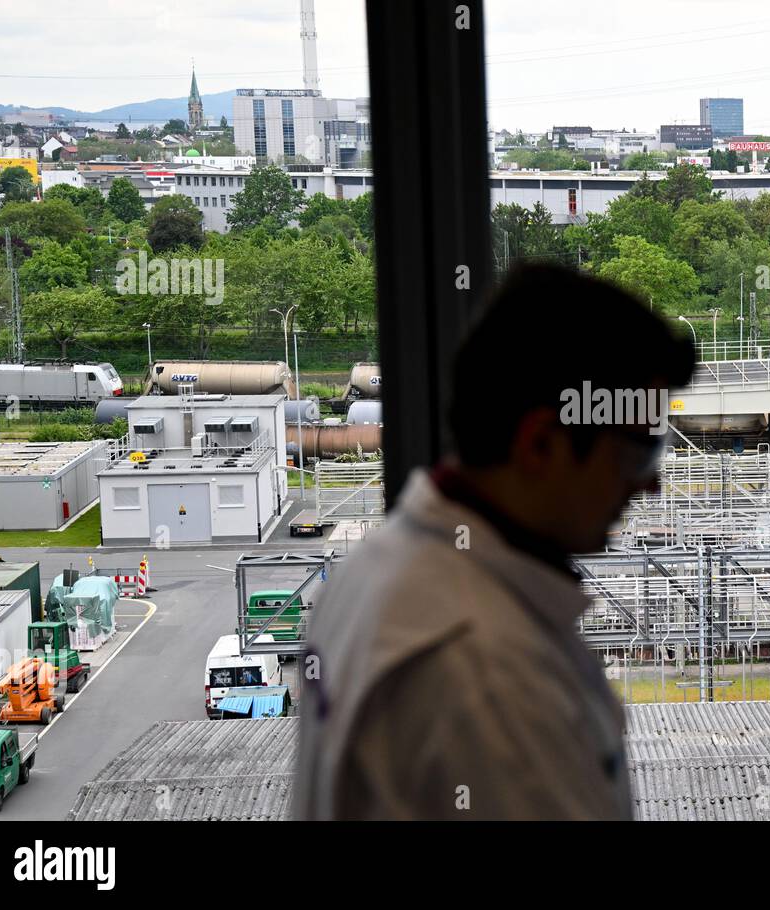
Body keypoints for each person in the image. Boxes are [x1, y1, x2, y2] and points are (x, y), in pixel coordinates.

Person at [294, 264, 695, 820]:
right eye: (639, 450)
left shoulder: (373, 571)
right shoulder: (493, 676)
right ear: (540, 446)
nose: (650, 481)